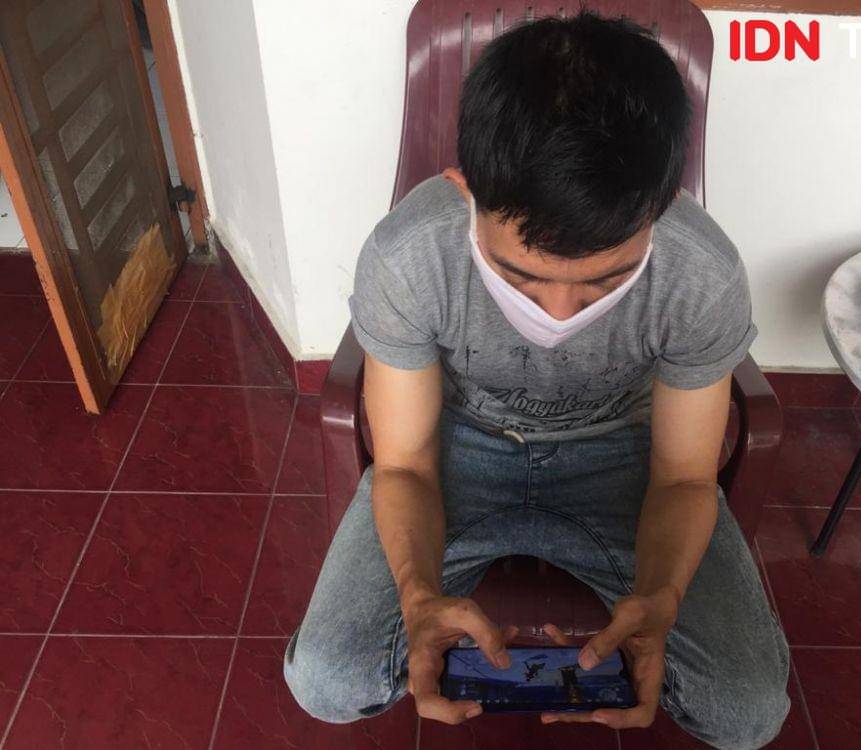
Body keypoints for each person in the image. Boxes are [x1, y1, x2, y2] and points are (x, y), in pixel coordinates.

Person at [285, 10, 790, 749]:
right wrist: (418, 597)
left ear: (663, 207)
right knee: (327, 681)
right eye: (520, 276)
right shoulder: (410, 254)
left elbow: (684, 477)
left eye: (604, 281)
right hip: (459, 451)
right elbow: (405, 463)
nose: (559, 312)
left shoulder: (700, 273)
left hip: (622, 458)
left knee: (746, 713)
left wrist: (661, 595)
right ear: (464, 187)